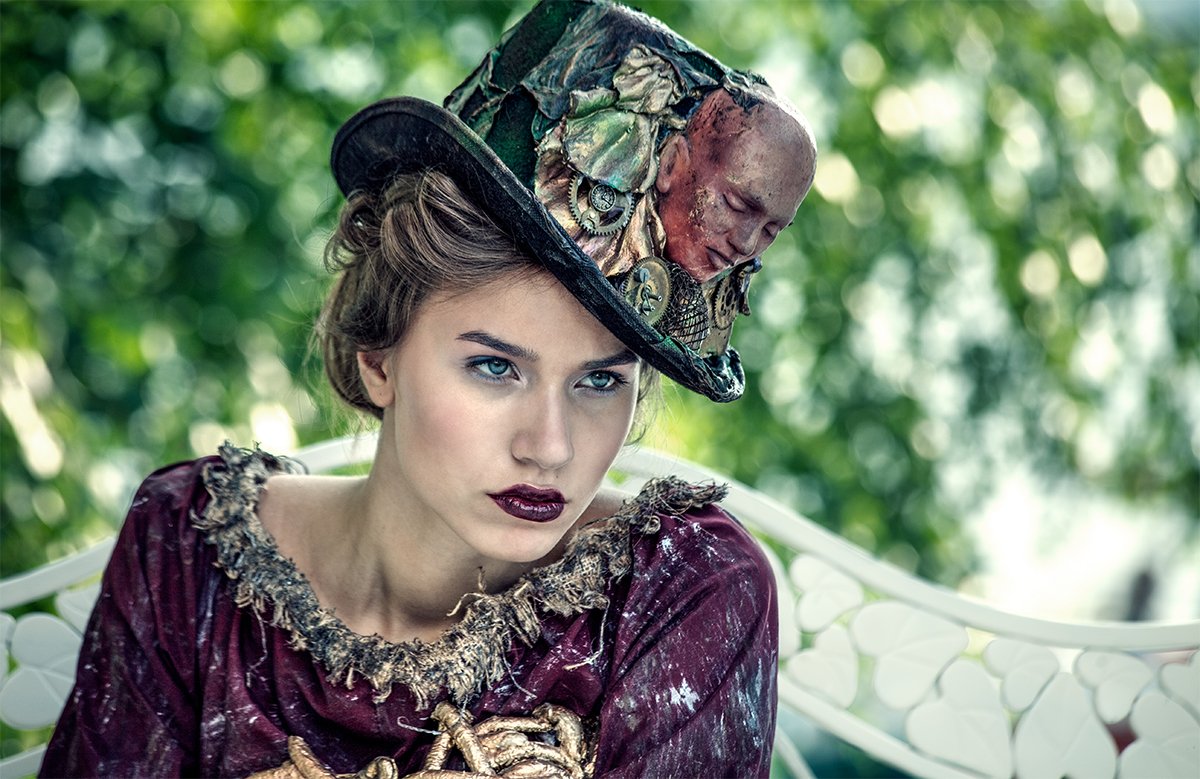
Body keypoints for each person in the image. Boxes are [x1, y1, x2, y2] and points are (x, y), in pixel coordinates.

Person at [41, 1, 816, 777]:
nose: (549, 446)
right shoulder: (189, 551)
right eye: (495, 366)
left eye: (600, 379)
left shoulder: (685, 589)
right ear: (378, 357)